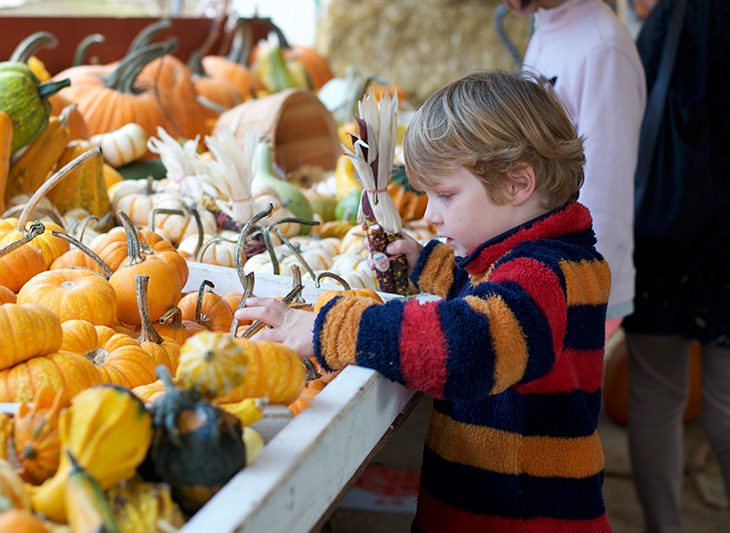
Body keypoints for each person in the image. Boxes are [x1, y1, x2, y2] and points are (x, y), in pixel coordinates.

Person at [236, 69, 613, 532]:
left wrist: (329, 327)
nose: (430, 214)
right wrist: (430, 264)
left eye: (445, 194)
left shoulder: (542, 277)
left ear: (518, 184)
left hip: (516, 520)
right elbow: (492, 298)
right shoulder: (552, 260)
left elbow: (471, 347)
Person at [620, 1, 730, 531]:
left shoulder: (666, 21)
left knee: (656, 391)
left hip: (662, 223)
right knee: (727, 402)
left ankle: (663, 528)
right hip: (722, 232)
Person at [504, 0, 646, 340]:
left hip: (578, 280)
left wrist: (585, 293)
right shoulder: (548, 25)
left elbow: (605, 184)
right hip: (545, 266)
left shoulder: (602, 47)